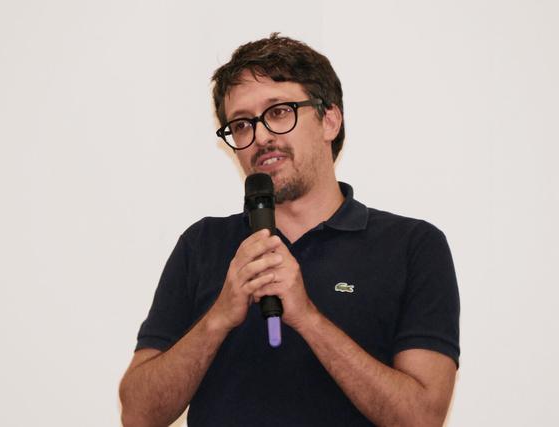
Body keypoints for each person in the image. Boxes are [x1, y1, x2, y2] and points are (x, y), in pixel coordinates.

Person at [119, 33, 460, 427]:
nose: (261, 136)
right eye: (242, 124)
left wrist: (308, 318)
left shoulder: (412, 246)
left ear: (329, 120)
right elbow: (138, 414)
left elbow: (422, 417)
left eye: (279, 112)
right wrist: (218, 317)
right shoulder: (202, 245)